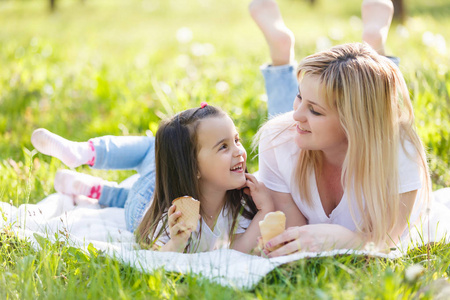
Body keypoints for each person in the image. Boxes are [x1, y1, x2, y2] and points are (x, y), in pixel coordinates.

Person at [249, 0, 433, 256]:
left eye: (315, 110)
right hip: (296, 141)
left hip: (373, 131)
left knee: (376, 93)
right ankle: (286, 56)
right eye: (299, 96)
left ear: (353, 123)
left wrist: (346, 239)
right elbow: (294, 236)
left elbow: (387, 239)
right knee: (283, 127)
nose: (297, 115)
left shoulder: (399, 151)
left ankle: (374, 45)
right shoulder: (278, 137)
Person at [31, 104, 274, 253]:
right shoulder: (172, 217)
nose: (239, 151)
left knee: (150, 150)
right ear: (193, 167)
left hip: (163, 183)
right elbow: (158, 258)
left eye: (237, 140)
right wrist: (177, 243)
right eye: (223, 146)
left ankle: (94, 186)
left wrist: (266, 209)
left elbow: (239, 251)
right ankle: (84, 153)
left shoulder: (239, 205)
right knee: (152, 148)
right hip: (142, 200)